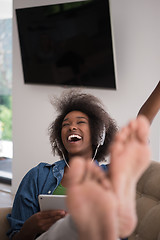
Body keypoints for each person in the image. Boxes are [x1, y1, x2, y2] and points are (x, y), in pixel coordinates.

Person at [6, 87, 154, 240]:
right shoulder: (38, 175)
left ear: (99, 135)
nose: (72, 127)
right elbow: (15, 236)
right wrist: (32, 226)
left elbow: (140, 129)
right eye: (65, 124)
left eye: (81, 122)